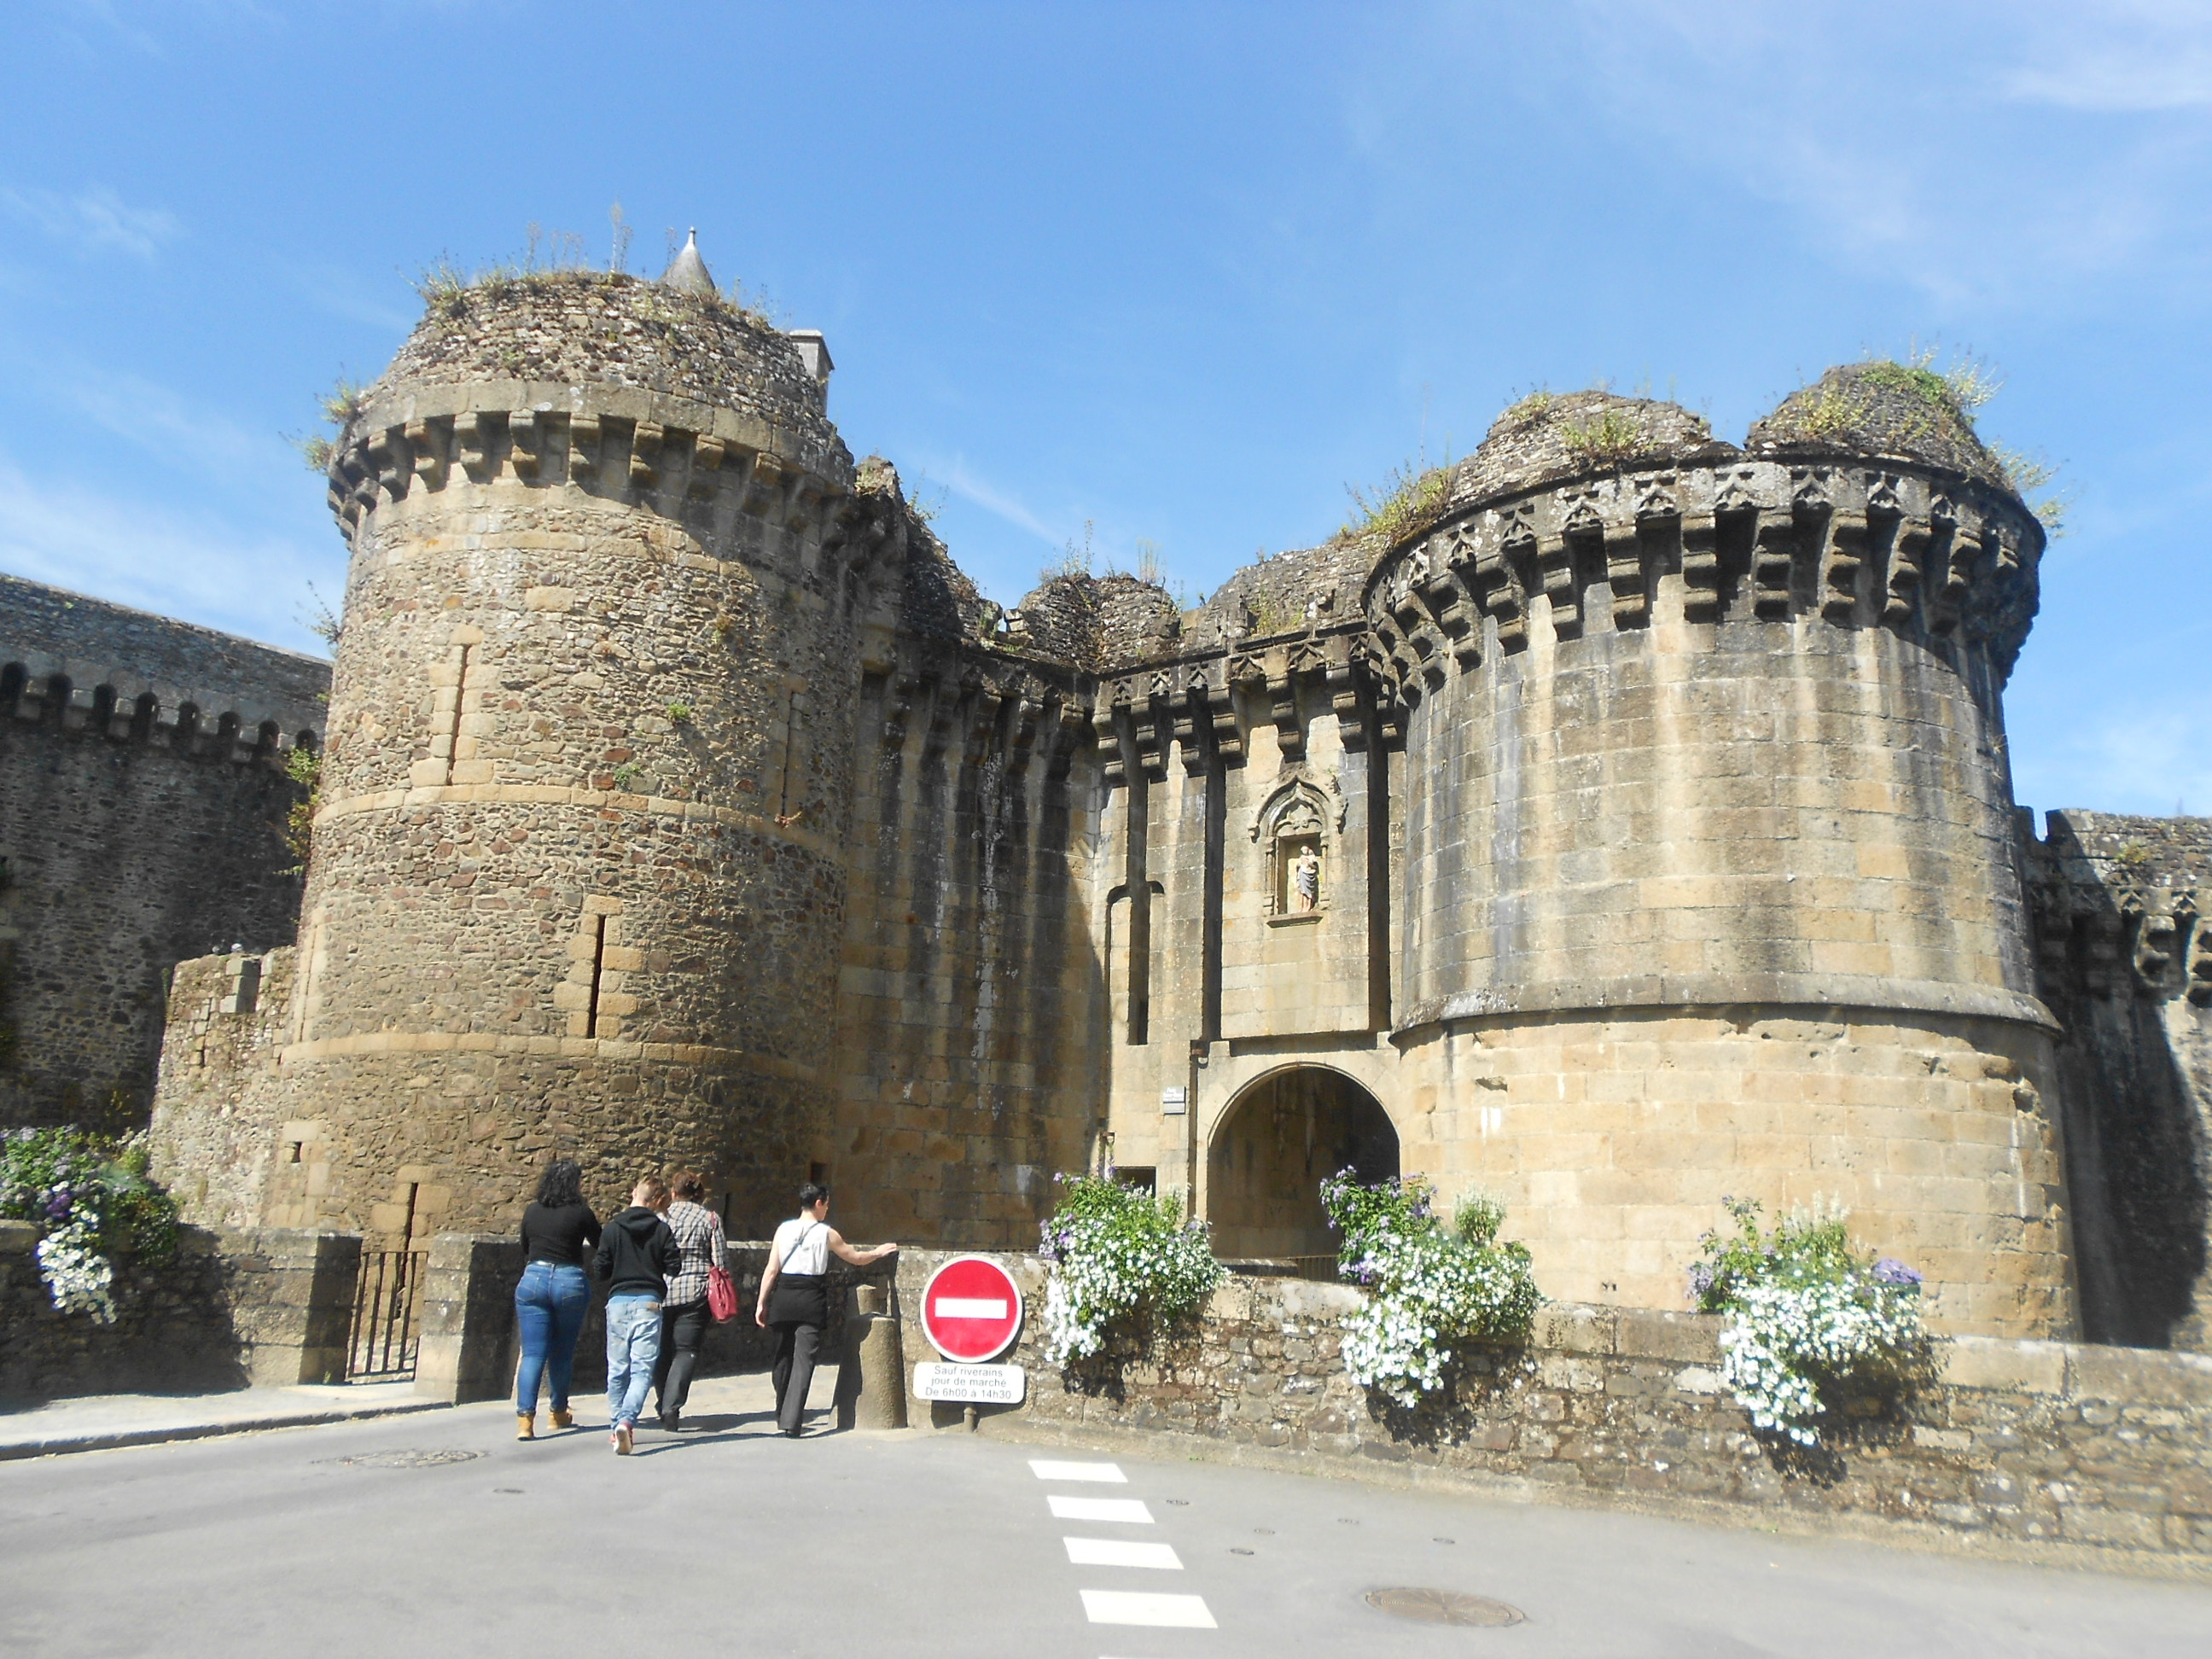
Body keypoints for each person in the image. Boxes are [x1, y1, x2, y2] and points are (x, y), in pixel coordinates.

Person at [754, 1182, 898, 1438]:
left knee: (782, 1360)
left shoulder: (783, 1230)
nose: (828, 1209)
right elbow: (854, 1257)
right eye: (827, 1204)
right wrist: (877, 1252)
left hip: (784, 1297)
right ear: (818, 1203)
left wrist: (761, 1302)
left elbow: (771, 1269)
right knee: (803, 1362)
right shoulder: (827, 1233)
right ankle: (791, 1420)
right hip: (811, 1299)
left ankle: (782, 1412)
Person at [513, 1158, 601, 1441]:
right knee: (561, 1353)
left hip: (533, 1279)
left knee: (533, 1353)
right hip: (568, 1280)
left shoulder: (532, 1211)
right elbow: (601, 1244)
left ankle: (525, 1421)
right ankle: (557, 1412)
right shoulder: (581, 1212)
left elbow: (525, 1247)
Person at [593, 1174, 678, 1455]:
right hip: (649, 1302)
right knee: (642, 1369)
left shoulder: (613, 1228)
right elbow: (674, 1265)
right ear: (657, 1201)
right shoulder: (661, 1229)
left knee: (617, 1369)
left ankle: (616, 1426)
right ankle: (627, 1422)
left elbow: (601, 1268)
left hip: (618, 1302)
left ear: (633, 1193)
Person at [651, 1170, 727, 1432]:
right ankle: (672, 1407)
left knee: (661, 1351)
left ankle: (663, 1401)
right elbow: (721, 1261)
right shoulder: (710, 1218)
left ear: (673, 1193)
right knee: (685, 1351)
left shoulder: (661, 1217)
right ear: (699, 1194)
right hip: (695, 1290)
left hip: (661, 1290)